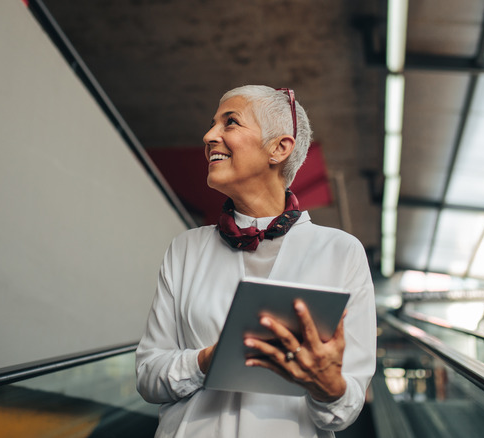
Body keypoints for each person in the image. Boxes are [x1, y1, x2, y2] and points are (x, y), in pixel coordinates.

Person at [135, 85, 376, 437]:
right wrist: (206, 361)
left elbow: (343, 411)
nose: (209, 136)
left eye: (230, 123)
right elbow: (147, 377)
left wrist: (329, 387)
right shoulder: (185, 248)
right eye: (213, 123)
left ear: (279, 148)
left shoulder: (341, 252)